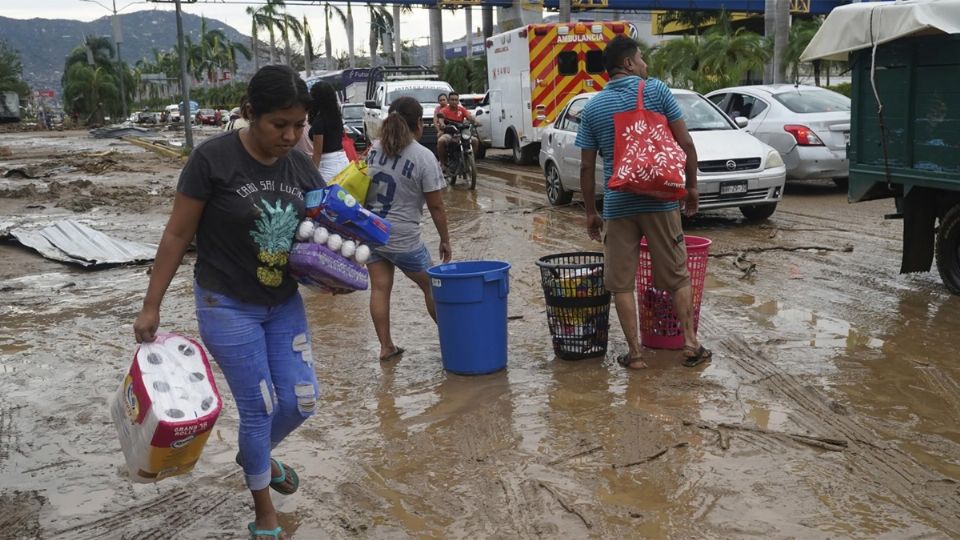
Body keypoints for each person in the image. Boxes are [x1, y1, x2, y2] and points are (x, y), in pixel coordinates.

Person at [133, 65, 324, 540]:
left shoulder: (300, 164)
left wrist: (336, 276)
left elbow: (323, 236)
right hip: (226, 303)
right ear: (248, 114)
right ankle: (265, 512)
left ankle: (253, 455)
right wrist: (150, 304)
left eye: (299, 125)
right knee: (258, 408)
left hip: (282, 301)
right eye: (279, 124)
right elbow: (178, 233)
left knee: (302, 400)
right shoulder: (211, 161)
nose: (290, 135)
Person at [575, 35, 712, 369]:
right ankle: (690, 345)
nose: (645, 65)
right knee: (678, 275)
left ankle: (635, 355)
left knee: (621, 283)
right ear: (628, 64)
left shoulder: (592, 108)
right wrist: (691, 188)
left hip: (619, 204)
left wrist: (592, 213)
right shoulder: (656, 91)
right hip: (661, 201)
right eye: (641, 59)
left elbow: (586, 166)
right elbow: (686, 144)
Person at [363, 97, 452, 362]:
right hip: (403, 239)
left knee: (379, 288)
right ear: (418, 123)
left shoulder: (374, 149)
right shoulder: (423, 157)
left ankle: (386, 346)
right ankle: (455, 338)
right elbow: (436, 207)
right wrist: (445, 239)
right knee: (434, 287)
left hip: (371, 232)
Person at [307, 81, 349, 180]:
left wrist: (311, 176)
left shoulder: (319, 121)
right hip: (343, 160)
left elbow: (318, 152)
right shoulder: (336, 117)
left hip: (327, 165)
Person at [435, 91, 480, 171]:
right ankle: (443, 163)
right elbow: (440, 119)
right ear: (448, 101)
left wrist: (475, 121)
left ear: (458, 101)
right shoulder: (444, 110)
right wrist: (442, 124)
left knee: (475, 141)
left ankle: (470, 161)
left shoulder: (461, 109)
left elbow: (469, 116)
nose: (454, 101)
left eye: (456, 100)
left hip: (461, 133)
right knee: (441, 141)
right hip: (449, 133)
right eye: (452, 100)